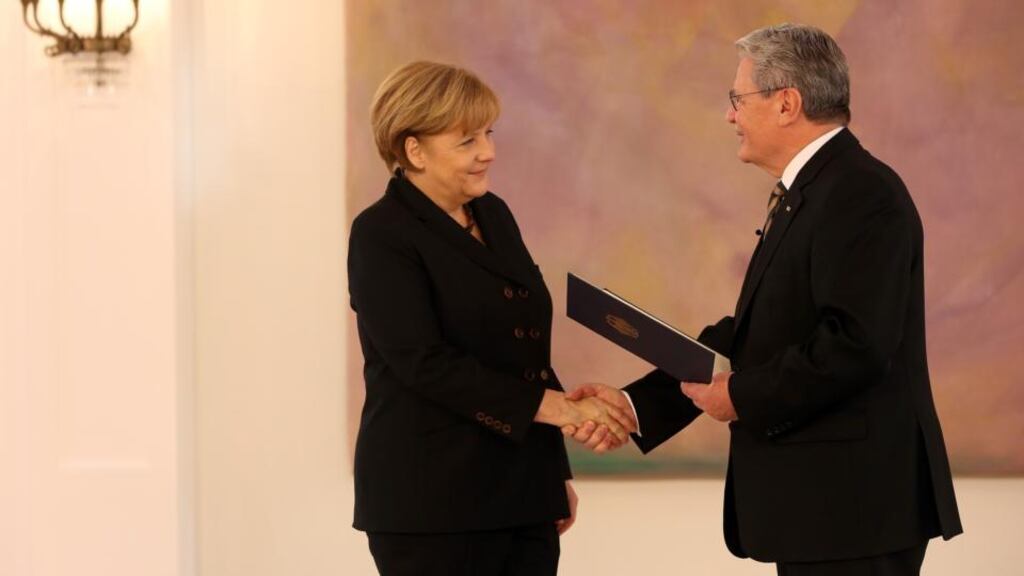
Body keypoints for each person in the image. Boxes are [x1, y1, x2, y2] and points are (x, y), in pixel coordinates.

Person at [566, 24, 962, 575]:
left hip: (854, 509)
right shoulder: (817, 190)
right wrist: (636, 408)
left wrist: (742, 396)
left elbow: (855, 344)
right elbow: (756, 334)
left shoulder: (860, 193)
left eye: (738, 99)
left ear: (786, 104)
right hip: (827, 509)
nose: (730, 116)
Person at [348, 61, 636, 576]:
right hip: (432, 503)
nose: (488, 152)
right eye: (467, 141)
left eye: (488, 133)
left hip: (522, 492)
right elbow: (423, 363)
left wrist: (553, 473)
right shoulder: (381, 234)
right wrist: (560, 410)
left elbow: (523, 351)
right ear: (414, 150)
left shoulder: (493, 213)